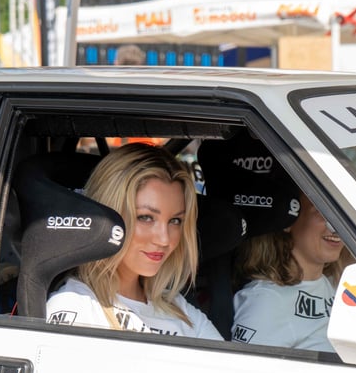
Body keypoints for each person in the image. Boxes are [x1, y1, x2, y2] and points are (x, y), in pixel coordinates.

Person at [46, 143, 223, 340]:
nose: (164, 239)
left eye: (175, 221)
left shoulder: (179, 309)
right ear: (108, 215)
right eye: (145, 217)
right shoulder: (75, 308)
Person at [231, 194, 346, 351]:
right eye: (322, 211)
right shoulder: (267, 301)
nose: (337, 226)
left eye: (341, 213)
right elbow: (245, 365)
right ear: (288, 219)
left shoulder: (333, 282)